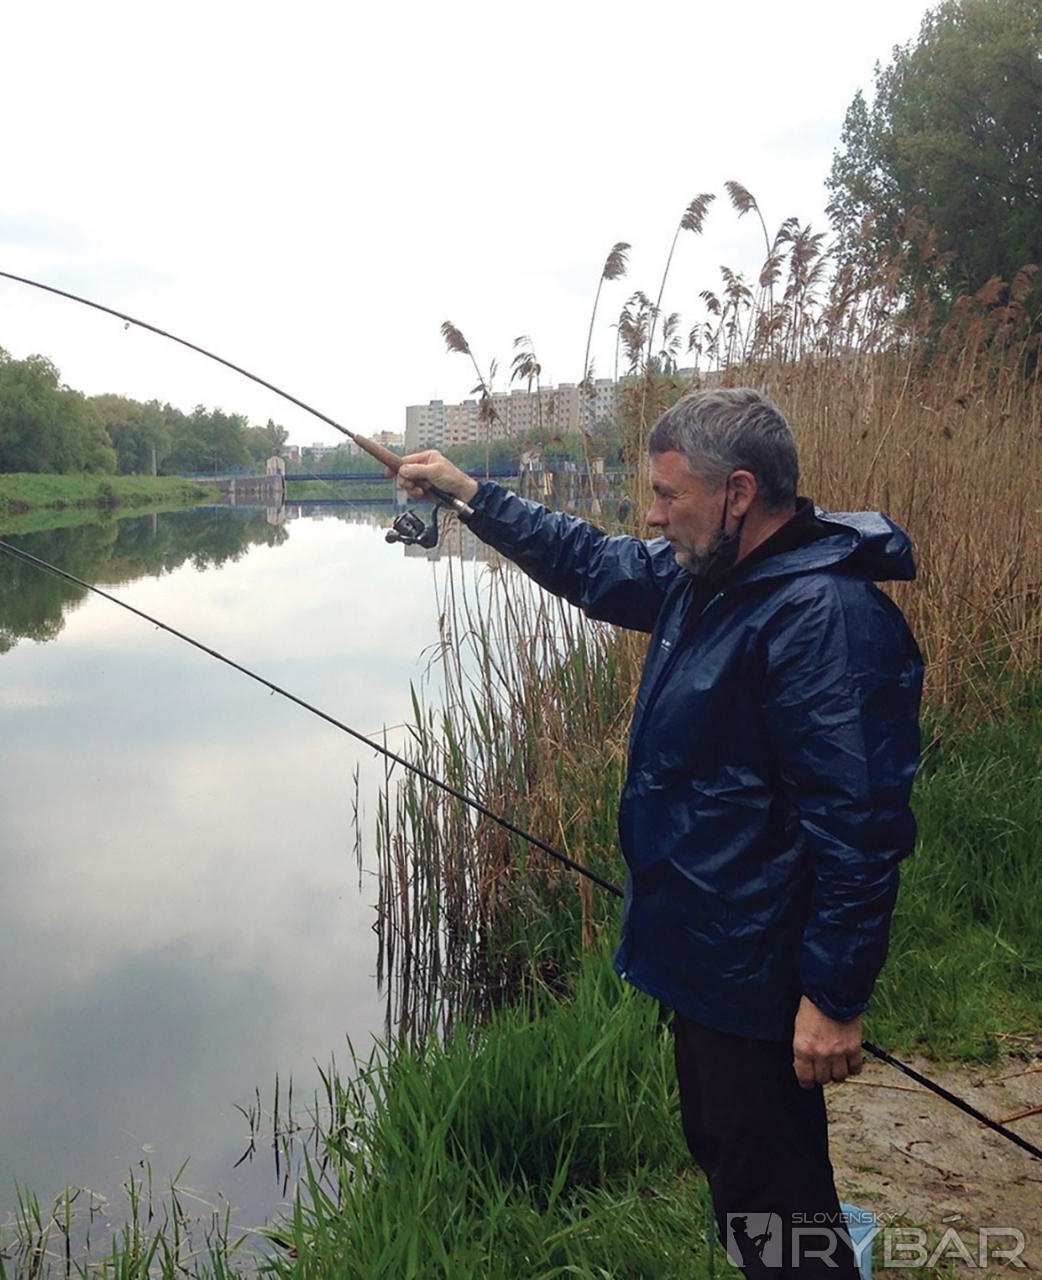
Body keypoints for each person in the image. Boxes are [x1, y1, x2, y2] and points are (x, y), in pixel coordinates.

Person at [394, 387, 923, 1276]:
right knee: (737, 1169)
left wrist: (835, 999)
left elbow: (860, 829)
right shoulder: (706, 579)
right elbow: (588, 561)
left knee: (776, 1200)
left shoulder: (819, 618)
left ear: (738, 494)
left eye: (669, 495)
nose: (652, 514)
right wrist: (471, 496)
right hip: (709, 955)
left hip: (757, 968)